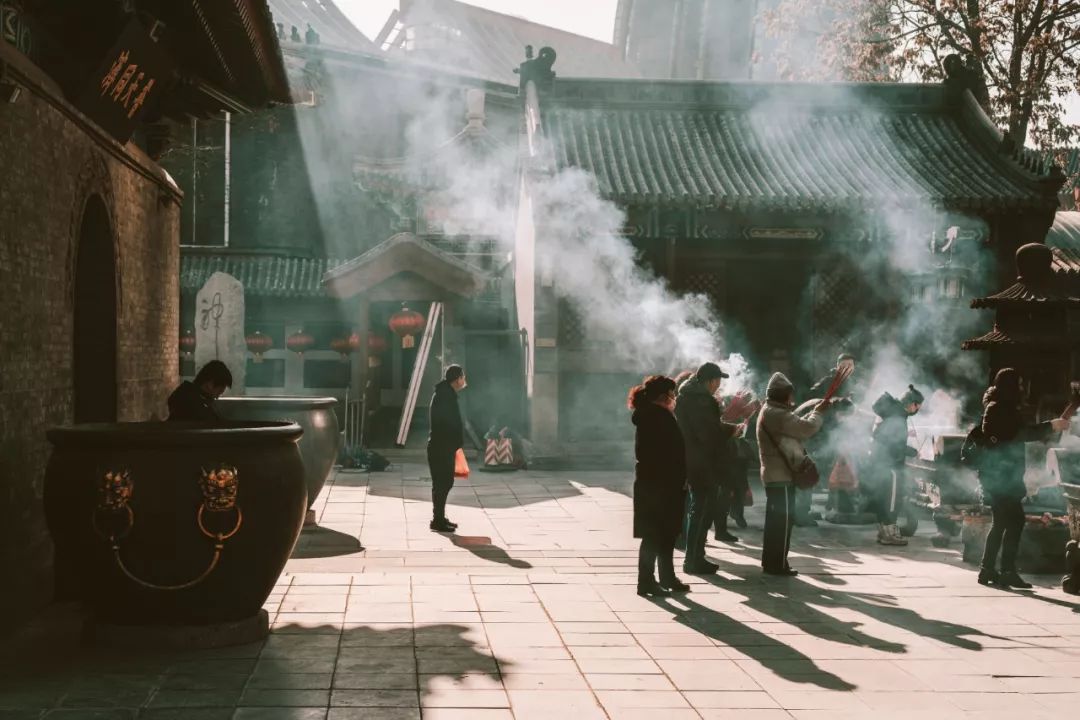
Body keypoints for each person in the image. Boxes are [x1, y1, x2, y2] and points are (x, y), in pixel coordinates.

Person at [977, 368, 1068, 588]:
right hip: (1000, 477)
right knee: (1014, 521)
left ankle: (987, 569)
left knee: (1000, 523)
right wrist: (1050, 426)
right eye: (1018, 385)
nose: (1021, 389)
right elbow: (1018, 434)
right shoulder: (998, 408)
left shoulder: (999, 406)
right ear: (1008, 386)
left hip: (1000, 476)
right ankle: (1006, 570)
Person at [757, 372, 825, 576]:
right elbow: (806, 428)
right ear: (783, 395)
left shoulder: (771, 410)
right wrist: (819, 413)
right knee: (782, 524)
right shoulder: (777, 414)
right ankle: (776, 564)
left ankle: (772, 562)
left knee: (777, 523)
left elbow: (793, 426)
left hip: (775, 474)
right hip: (780, 476)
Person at [675, 362, 740, 575]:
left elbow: (707, 428)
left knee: (698, 509)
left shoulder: (688, 396)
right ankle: (693, 559)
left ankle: (695, 557)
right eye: (718, 381)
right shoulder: (701, 401)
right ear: (711, 381)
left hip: (693, 459)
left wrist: (728, 429)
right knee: (701, 510)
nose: (718, 386)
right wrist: (730, 433)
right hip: (703, 462)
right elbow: (707, 434)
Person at [629, 376, 689, 597]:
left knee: (666, 533)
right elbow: (667, 453)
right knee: (655, 534)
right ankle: (646, 581)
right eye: (673, 394)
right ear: (664, 397)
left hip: (658, 482)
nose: (675, 399)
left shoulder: (654, 415)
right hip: (660, 484)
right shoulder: (658, 417)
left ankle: (666, 576)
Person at [868, 385, 924, 546]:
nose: (917, 409)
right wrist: (913, 452)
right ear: (912, 404)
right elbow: (894, 445)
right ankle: (889, 534)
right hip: (890, 465)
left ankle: (883, 532)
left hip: (881, 463)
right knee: (891, 500)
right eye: (918, 406)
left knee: (884, 499)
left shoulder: (893, 414)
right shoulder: (898, 418)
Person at [810, 353, 858, 518]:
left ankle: (839, 501)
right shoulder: (829, 380)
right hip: (829, 430)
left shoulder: (853, 382)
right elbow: (813, 396)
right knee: (829, 468)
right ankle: (824, 504)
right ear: (838, 366)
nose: (849, 369)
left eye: (851, 366)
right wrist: (832, 404)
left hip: (847, 430)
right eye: (845, 366)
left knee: (844, 467)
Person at [428, 365, 467, 532]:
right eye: (463, 377)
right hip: (441, 446)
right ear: (457, 379)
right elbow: (446, 423)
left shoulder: (446, 394)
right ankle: (437, 521)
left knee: (444, 482)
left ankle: (439, 518)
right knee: (443, 482)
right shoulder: (445, 396)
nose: (464, 380)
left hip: (444, 445)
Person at [167, 360, 231, 421]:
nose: (217, 397)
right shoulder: (195, 405)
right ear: (210, 384)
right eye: (219, 392)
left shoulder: (187, 395)